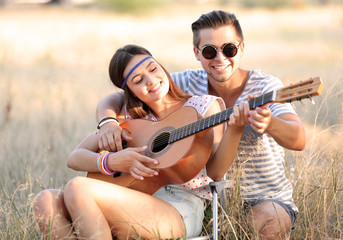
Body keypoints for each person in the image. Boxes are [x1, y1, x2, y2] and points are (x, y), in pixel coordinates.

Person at [95, 10, 306, 240]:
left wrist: (270, 123)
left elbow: (298, 139)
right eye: (209, 51)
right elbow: (122, 96)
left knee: (264, 224)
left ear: (241, 48)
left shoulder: (265, 87)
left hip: (264, 197)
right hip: (208, 202)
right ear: (197, 53)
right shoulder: (187, 83)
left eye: (229, 49)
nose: (220, 59)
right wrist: (107, 121)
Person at [33, 44, 248, 239]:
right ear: (130, 91)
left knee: (78, 187)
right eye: (138, 80)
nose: (151, 81)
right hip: (130, 197)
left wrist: (236, 129)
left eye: (153, 69)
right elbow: (75, 158)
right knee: (45, 201)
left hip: (179, 207)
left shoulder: (204, 107)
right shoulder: (132, 121)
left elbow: (216, 173)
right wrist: (113, 161)